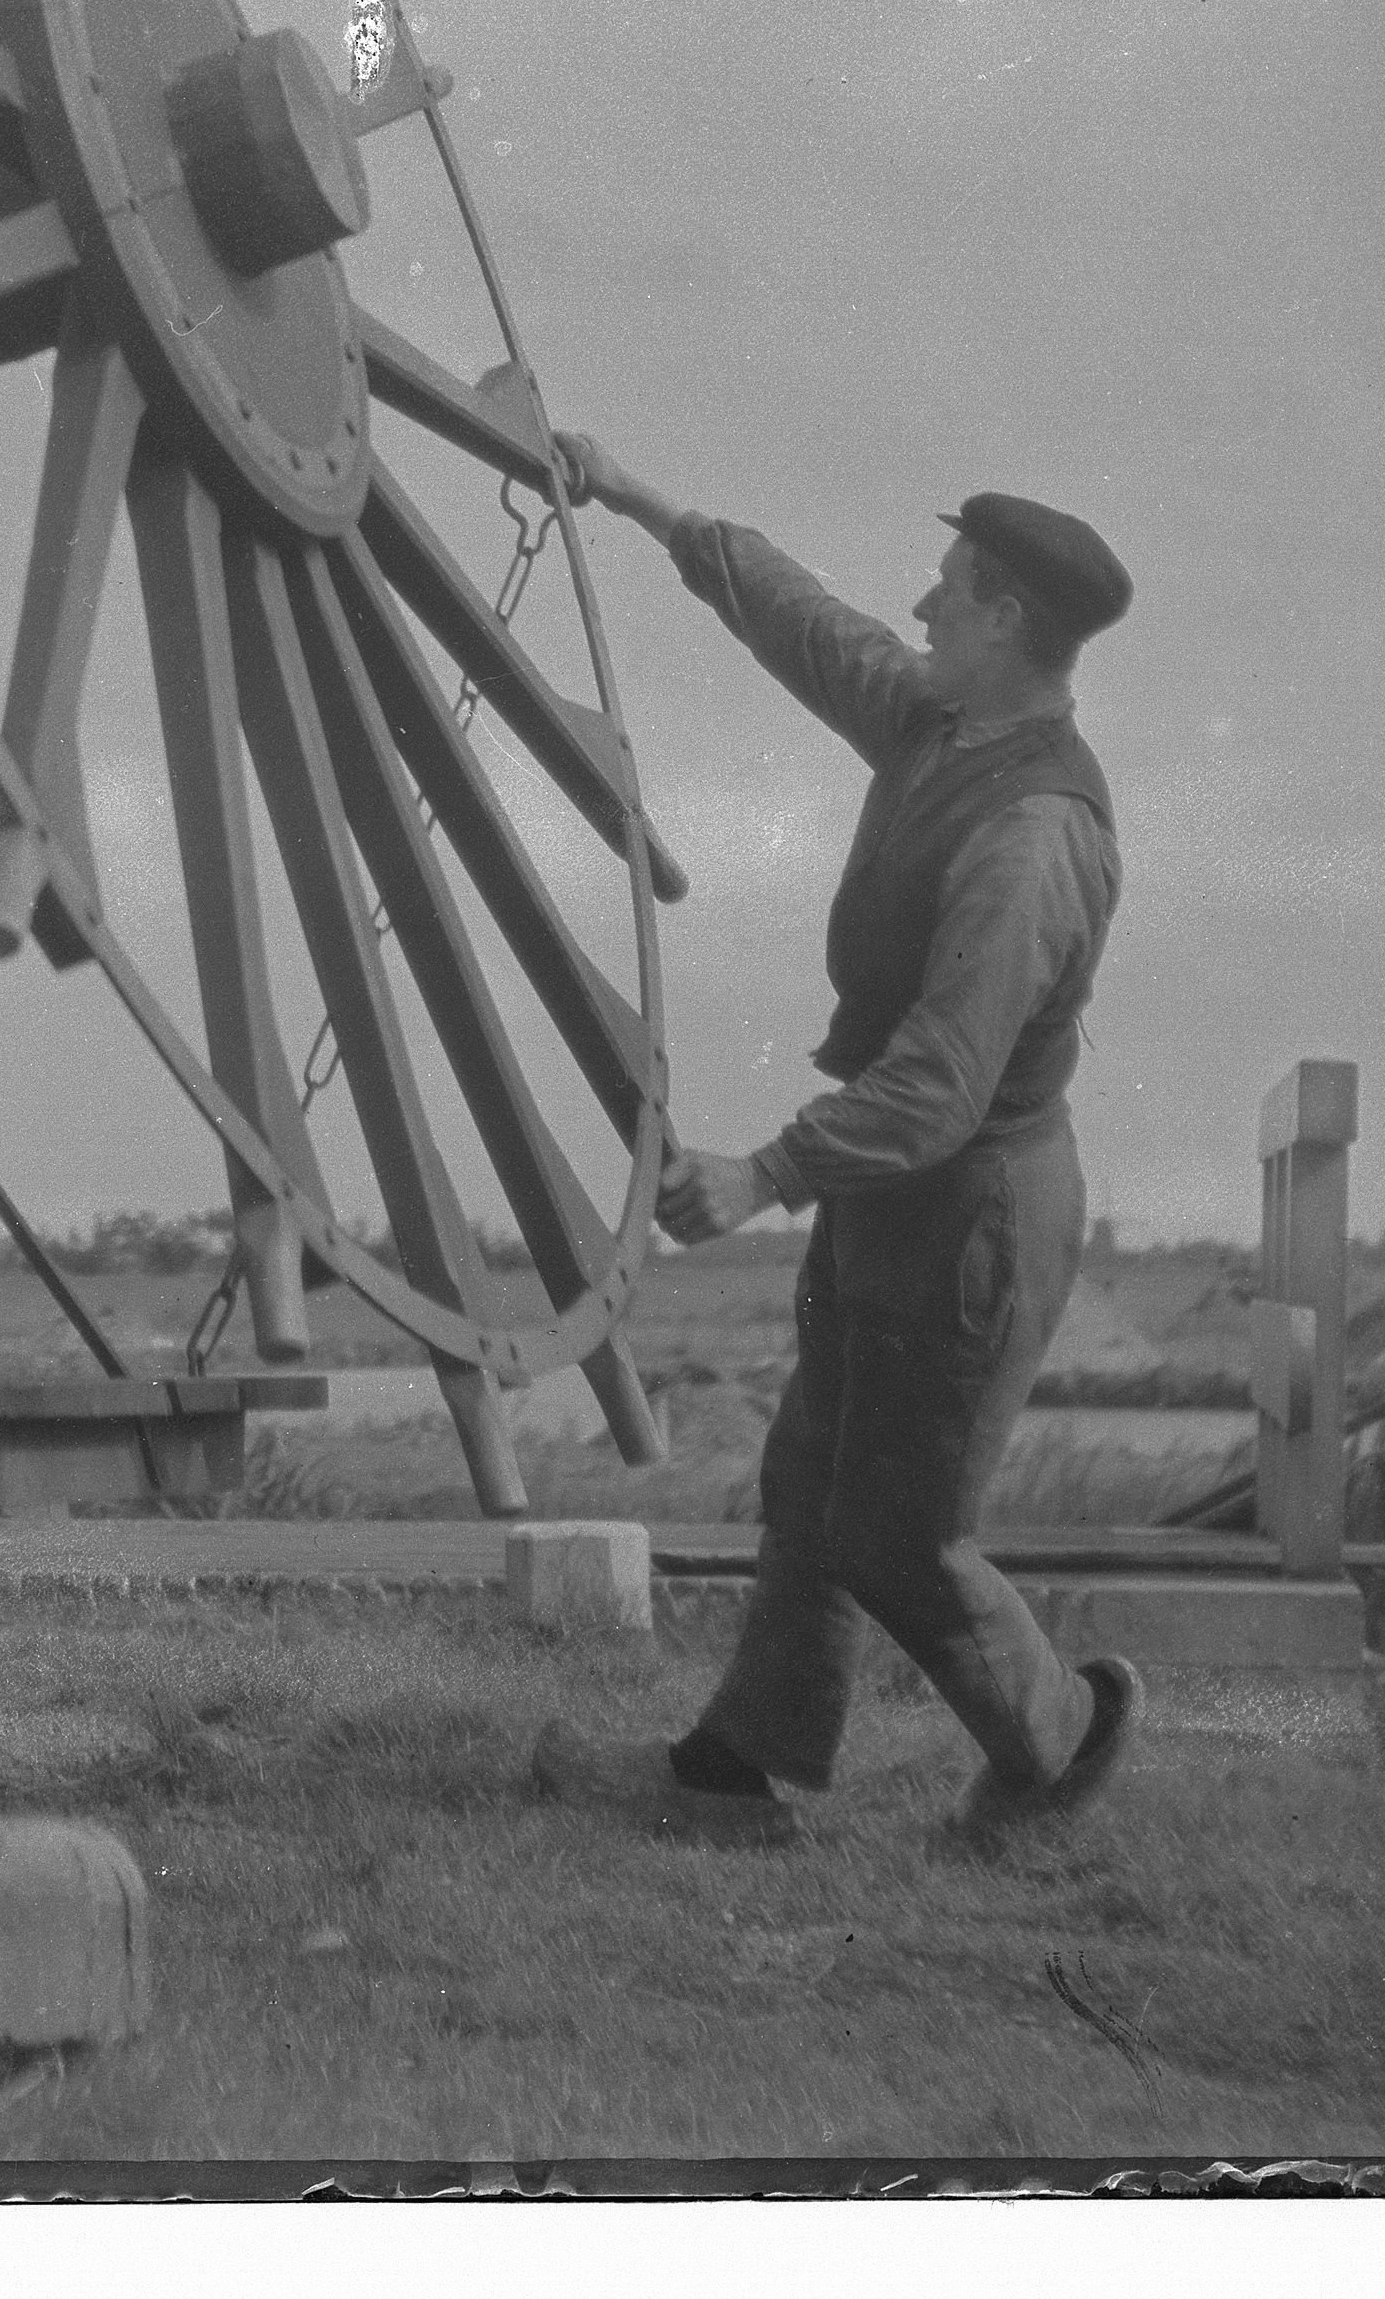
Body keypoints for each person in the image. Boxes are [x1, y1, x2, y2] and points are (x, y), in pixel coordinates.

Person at [531, 444, 1146, 1851]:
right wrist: (640, 501)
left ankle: (1059, 1742)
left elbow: (936, 1084)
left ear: (1000, 623)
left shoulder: (1032, 833)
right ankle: (733, 1777)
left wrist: (759, 1174)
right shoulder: (943, 724)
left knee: (895, 1533)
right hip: (898, 1194)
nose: (920, 609)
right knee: (809, 1484)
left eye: (946, 592)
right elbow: (810, 628)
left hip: (972, 1208)